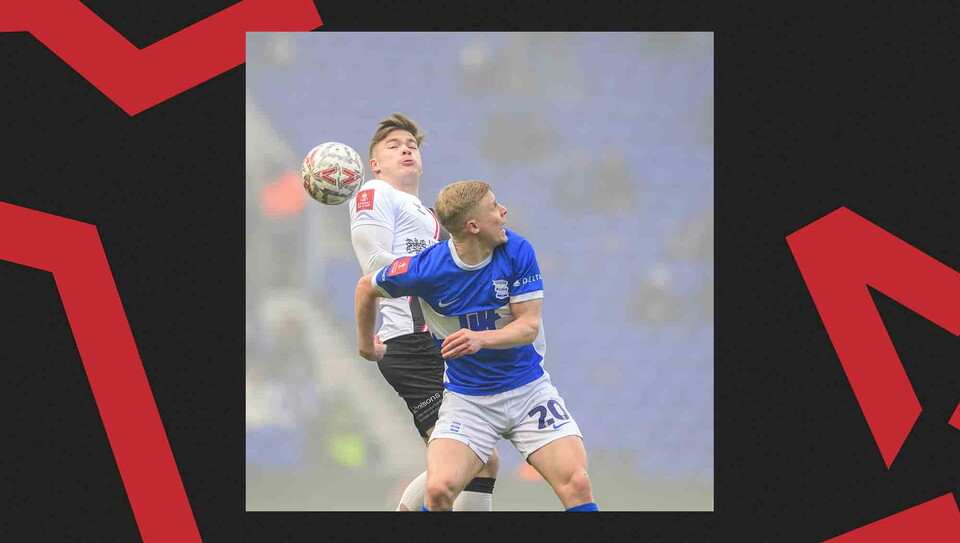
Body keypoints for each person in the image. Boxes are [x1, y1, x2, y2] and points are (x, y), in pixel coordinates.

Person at [355, 180, 598, 512]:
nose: (504, 212)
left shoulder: (517, 250)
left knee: (577, 482)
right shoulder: (428, 268)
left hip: (527, 390)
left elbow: (528, 326)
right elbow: (366, 287)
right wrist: (366, 342)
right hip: (469, 401)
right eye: (495, 207)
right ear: (473, 226)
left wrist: (480, 338)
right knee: (439, 490)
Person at [348, 114, 499, 511]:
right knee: (470, 458)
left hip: (435, 342)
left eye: (412, 145)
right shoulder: (374, 193)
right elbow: (376, 266)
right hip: (409, 344)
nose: (406, 149)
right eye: (394, 144)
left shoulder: (429, 215)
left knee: (478, 458)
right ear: (375, 163)